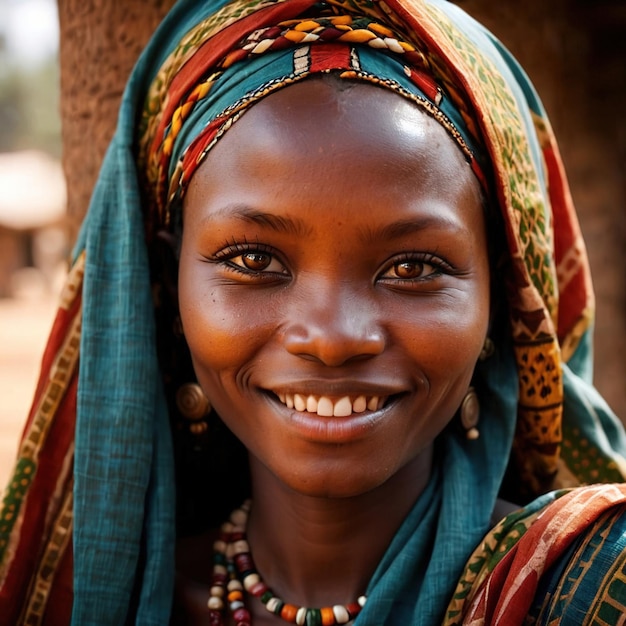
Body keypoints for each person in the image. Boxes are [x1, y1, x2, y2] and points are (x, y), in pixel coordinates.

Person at [2, 0, 626, 624]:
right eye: (253, 261)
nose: (331, 337)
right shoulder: (113, 602)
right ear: (170, 287)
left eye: (413, 268)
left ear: (499, 299)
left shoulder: (589, 591)